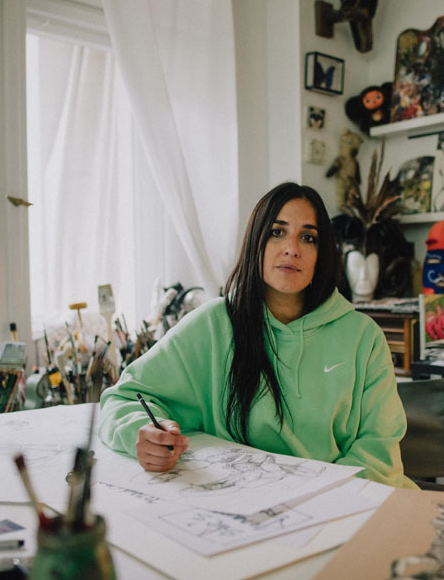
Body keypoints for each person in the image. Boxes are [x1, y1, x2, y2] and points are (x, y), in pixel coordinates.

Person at [98, 183, 417, 489]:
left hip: (343, 505)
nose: (292, 249)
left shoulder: (364, 338)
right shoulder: (211, 325)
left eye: (308, 237)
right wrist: (143, 432)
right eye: (277, 232)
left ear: (322, 254)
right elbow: (123, 398)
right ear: (256, 243)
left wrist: (315, 501)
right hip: (241, 508)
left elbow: (378, 453)